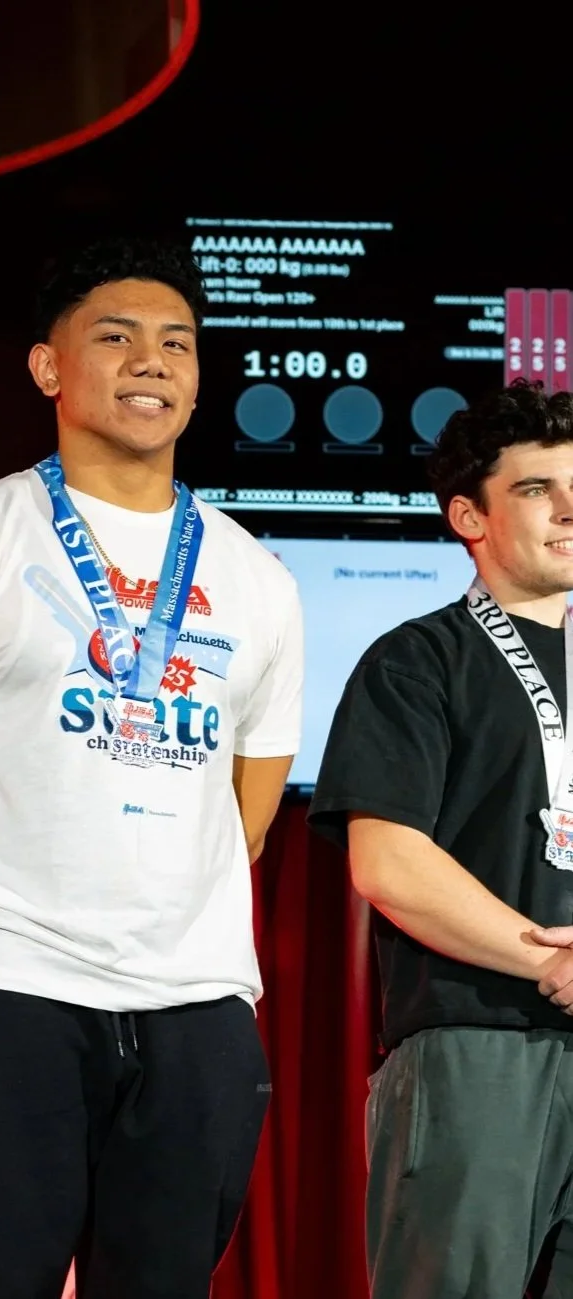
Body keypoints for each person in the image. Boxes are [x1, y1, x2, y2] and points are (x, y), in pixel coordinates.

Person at [0, 237, 304, 1299]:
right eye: (115, 337)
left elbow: (243, 819)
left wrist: (151, 927)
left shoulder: (258, 579)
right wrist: (1, 924)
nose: (151, 361)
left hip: (195, 1003)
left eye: (176, 343)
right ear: (49, 368)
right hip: (6, 993)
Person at [309, 379, 573, 1298]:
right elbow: (388, 864)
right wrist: (552, 960)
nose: (570, 508)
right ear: (470, 514)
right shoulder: (417, 661)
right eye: (538, 488)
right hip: (476, 1049)